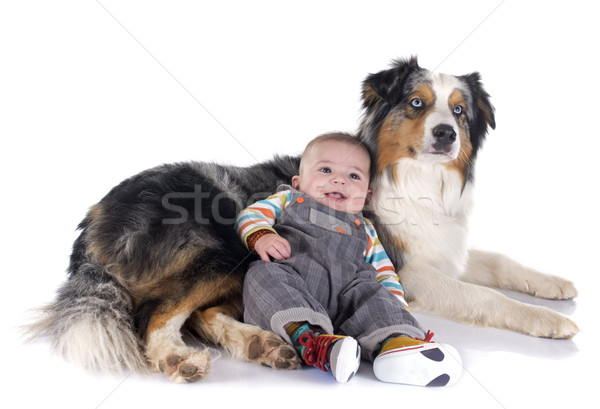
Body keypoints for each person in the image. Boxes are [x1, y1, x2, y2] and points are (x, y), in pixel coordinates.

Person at [235, 132, 462, 385]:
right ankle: (311, 340)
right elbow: (250, 215)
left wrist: (396, 305)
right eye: (325, 170)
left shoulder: (365, 228)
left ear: (366, 197)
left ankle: (397, 344)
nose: (339, 180)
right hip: (293, 276)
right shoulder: (289, 198)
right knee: (262, 274)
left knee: (373, 293)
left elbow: (384, 271)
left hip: (348, 292)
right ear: (298, 183)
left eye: (353, 176)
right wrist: (262, 236)